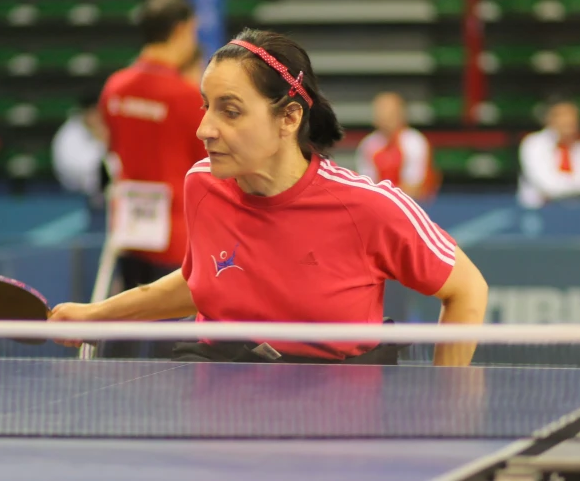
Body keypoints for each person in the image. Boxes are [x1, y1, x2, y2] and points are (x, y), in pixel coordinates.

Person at [51, 28, 488, 367]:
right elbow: (204, 281)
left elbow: (467, 290)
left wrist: (448, 409)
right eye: (206, 106)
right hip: (217, 400)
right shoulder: (202, 184)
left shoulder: (369, 207)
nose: (205, 129)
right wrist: (98, 313)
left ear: (290, 117)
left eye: (231, 110)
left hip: (339, 414)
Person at [96, 0, 206, 358]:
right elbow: (206, 161)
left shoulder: (115, 88)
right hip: (175, 232)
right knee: (168, 328)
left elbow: (113, 147)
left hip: (130, 227)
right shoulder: (185, 96)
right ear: (180, 30)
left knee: (126, 313)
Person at [518, 99, 580, 209]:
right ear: (551, 120)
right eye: (563, 119)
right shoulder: (534, 144)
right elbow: (549, 186)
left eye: (573, 120)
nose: (569, 124)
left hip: (579, 211)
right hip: (540, 212)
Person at [356, 92, 441, 202]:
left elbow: (414, 188)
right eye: (380, 112)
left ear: (401, 114)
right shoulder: (368, 144)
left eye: (389, 113)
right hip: (380, 203)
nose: (384, 117)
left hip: (415, 205)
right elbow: (367, 186)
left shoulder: (414, 142)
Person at [51, 91, 109, 212]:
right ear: (86, 112)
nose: (99, 117)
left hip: (105, 196)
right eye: (95, 112)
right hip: (73, 199)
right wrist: (101, 143)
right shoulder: (68, 135)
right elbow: (77, 169)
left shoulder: (106, 130)